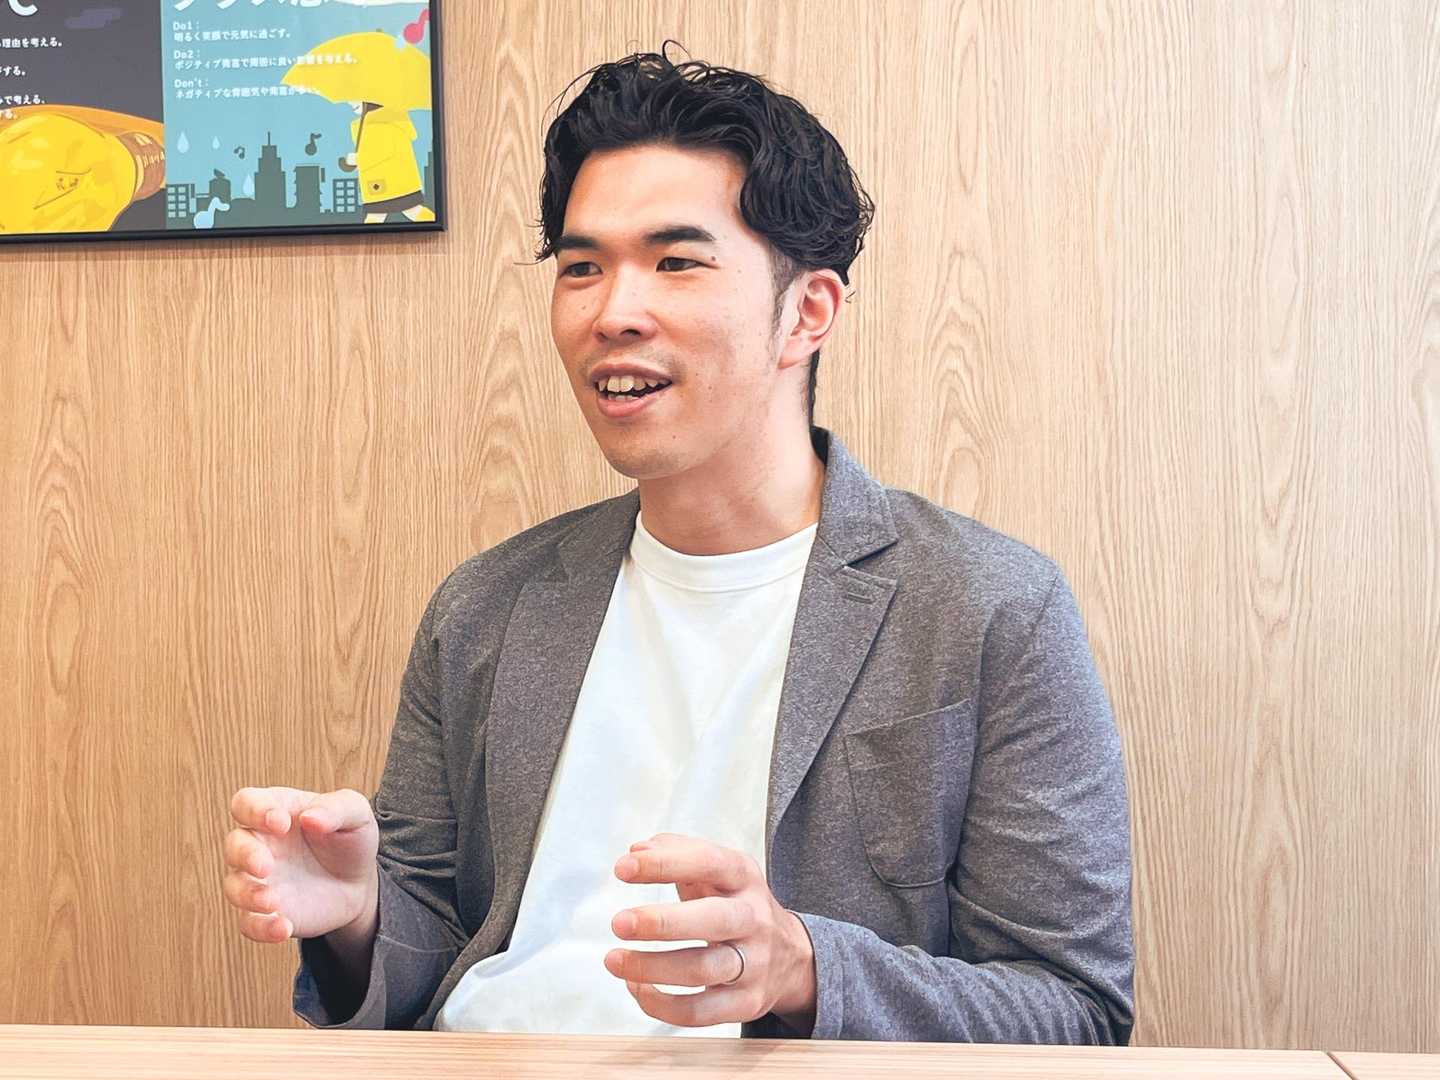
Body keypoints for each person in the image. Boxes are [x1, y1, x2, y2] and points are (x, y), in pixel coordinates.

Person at [221, 42, 1135, 1042]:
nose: (614, 312)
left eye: (676, 262)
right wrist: (359, 915)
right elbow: (435, 945)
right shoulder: (485, 605)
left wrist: (805, 968)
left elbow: (1074, 1007)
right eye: (582, 267)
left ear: (808, 312)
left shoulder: (990, 608)